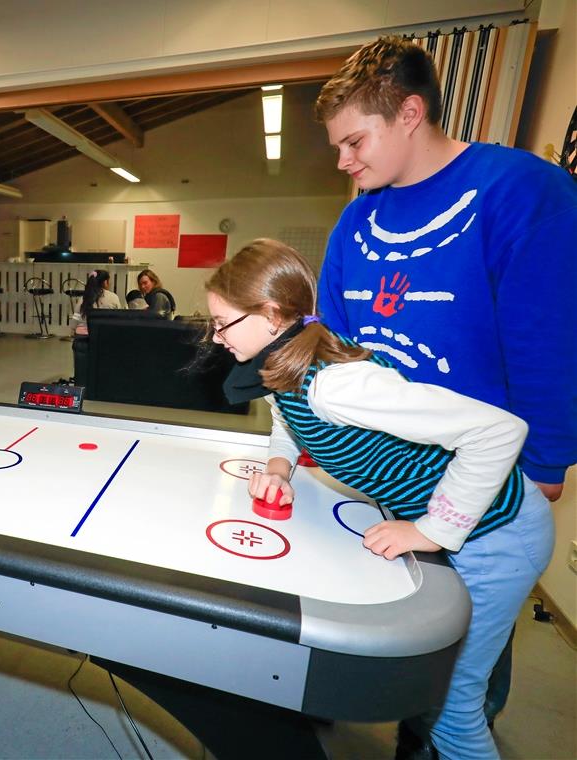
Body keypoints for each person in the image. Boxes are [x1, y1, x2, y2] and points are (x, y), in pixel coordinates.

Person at [314, 35, 577, 748]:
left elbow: (548, 337)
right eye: (336, 146)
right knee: (397, 622)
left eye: (354, 141)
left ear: (409, 111)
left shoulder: (523, 191)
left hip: (482, 476)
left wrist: (547, 463)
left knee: (459, 670)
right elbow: (334, 347)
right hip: (387, 473)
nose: (343, 161)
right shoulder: (356, 220)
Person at [206, 239, 553, 760]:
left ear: (272, 315)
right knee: (428, 687)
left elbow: (499, 432)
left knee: (451, 708)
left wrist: (432, 531)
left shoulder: (339, 386)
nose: (216, 338)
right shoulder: (284, 366)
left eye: (223, 323)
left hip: (499, 532)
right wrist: (279, 467)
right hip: (461, 526)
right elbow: (286, 423)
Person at [72, 269, 123, 337]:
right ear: (105, 282)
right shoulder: (113, 297)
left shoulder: (82, 299)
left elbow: (74, 323)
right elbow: (119, 319)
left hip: (83, 340)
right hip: (105, 338)